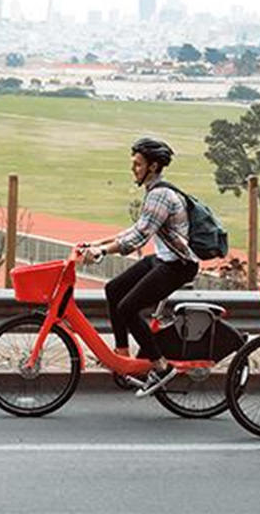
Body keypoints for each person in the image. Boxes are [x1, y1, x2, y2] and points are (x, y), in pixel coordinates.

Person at [79, 137, 200, 397]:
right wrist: (99, 242)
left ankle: (160, 365)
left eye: (138, 164)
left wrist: (102, 251)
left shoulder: (161, 195)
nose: (133, 169)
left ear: (153, 167)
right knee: (113, 289)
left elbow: (139, 237)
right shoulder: (154, 192)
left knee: (128, 307)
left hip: (177, 265)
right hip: (163, 259)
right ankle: (121, 355)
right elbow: (138, 227)